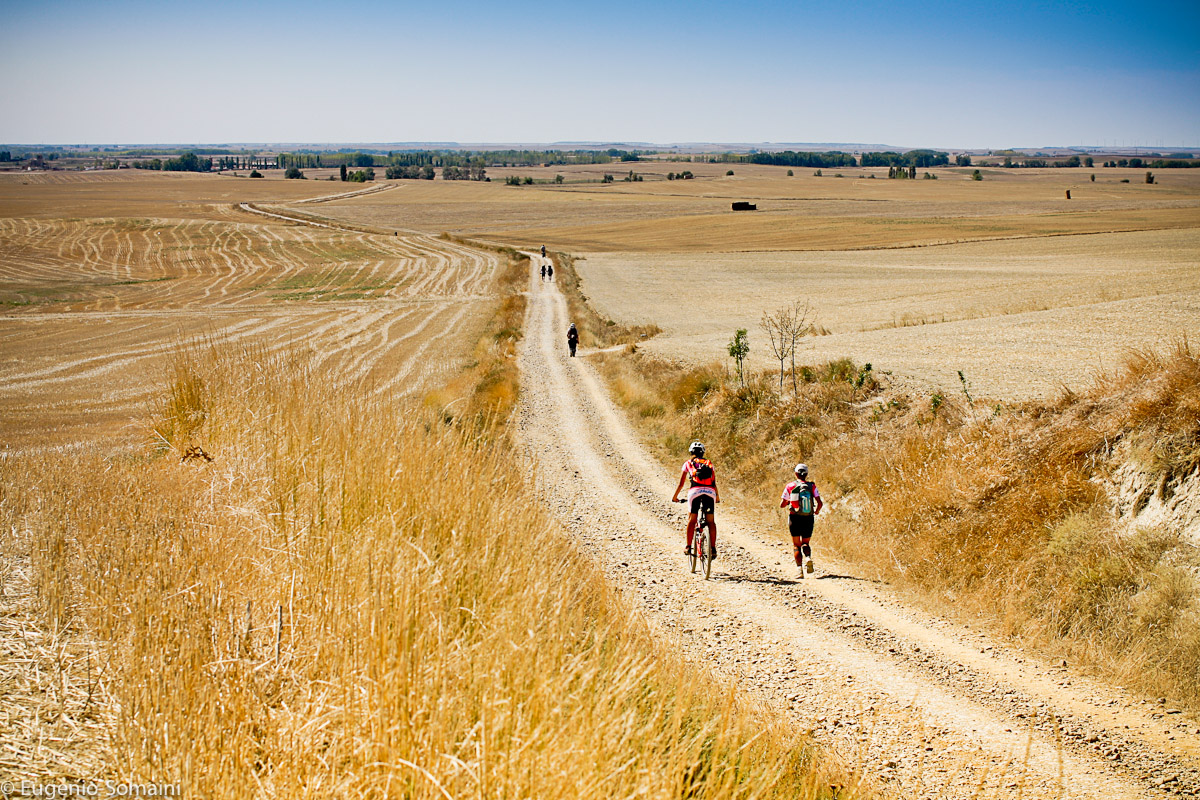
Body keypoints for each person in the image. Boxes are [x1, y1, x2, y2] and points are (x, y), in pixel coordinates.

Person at [671, 441, 720, 560]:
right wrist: (717, 496)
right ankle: (712, 548)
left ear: (691, 452)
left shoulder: (688, 463)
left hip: (695, 492)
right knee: (711, 521)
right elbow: (713, 482)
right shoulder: (709, 464)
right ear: (703, 452)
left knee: (692, 520)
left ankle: (688, 546)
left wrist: (675, 497)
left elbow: (681, 483)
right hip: (710, 492)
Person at [780, 463, 822, 578]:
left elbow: (782, 504)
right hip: (808, 518)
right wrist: (816, 511)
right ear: (806, 474)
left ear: (795, 473)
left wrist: (789, 502)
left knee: (796, 545)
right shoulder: (811, 486)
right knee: (805, 543)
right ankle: (808, 557)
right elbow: (820, 503)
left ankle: (799, 570)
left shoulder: (790, 486)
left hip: (795, 517)